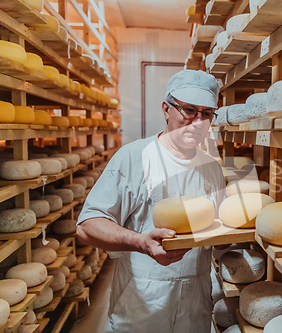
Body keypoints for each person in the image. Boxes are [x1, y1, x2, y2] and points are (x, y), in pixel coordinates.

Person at [76, 70, 226, 333]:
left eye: (207, 114)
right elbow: (87, 226)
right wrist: (140, 242)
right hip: (141, 307)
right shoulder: (133, 158)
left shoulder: (212, 167)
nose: (198, 122)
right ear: (166, 109)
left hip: (195, 307)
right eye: (189, 110)